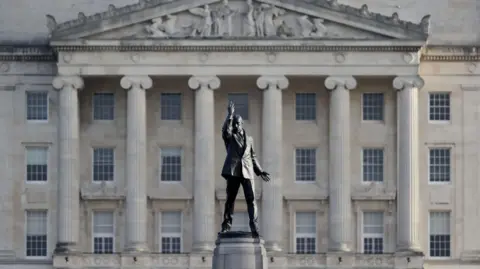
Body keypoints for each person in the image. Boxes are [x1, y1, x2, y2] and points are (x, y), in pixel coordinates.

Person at [220, 101, 270, 237]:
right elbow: (225, 131)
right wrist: (230, 116)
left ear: (242, 124)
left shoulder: (250, 139)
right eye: (234, 123)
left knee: (251, 199)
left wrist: (260, 171)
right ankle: (226, 225)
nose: (236, 125)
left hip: (247, 171)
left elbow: (252, 156)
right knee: (230, 200)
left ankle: (254, 226)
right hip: (233, 171)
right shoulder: (230, 137)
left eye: (238, 123)